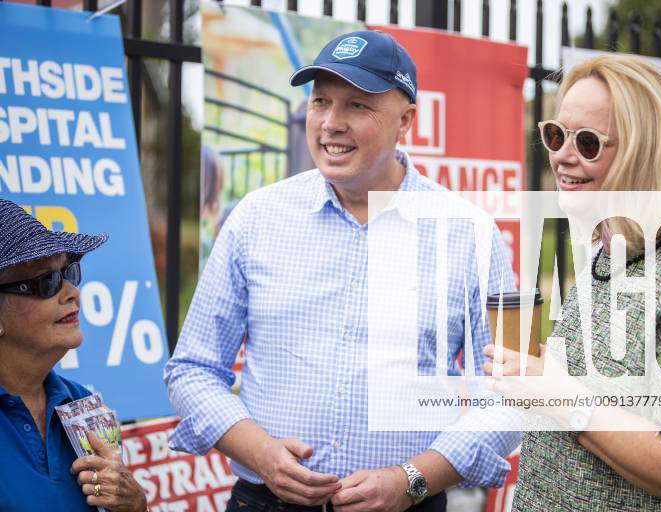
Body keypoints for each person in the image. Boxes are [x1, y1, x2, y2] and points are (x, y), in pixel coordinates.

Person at [165, 30, 519, 512]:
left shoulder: (472, 235)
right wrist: (261, 454)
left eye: (357, 106)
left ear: (406, 121)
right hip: (265, 502)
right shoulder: (255, 218)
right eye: (321, 102)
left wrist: (410, 479)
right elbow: (193, 371)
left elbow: (509, 393)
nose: (331, 123)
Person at [483, 54, 661, 510]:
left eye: (589, 143)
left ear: (648, 154)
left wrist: (564, 399)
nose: (561, 155)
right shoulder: (612, 257)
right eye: (555, 134)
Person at [0, 199, 148, 511]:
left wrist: (133, 505)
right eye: (47, 282)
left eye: (70, 272)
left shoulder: (82, 404)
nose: (72, 291)